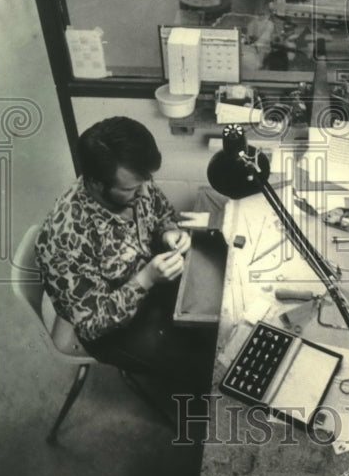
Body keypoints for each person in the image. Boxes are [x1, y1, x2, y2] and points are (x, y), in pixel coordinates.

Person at [35, 116, 214, 413]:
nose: (144, 193)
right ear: (95, 183)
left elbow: (159, 210)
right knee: (201, 366)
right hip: (111, 328)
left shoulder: (135, 182)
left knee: (211, 320)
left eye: (147, 181)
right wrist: (145, 280)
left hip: (147, 281)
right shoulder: (65, 238)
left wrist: (169, 231)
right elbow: (92, 325)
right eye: (132, 190)